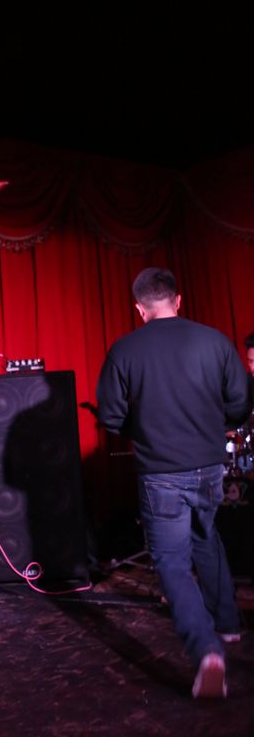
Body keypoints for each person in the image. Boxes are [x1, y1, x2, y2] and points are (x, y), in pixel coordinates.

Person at [96, 267, 250, 699]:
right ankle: (228, 623)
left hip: (160, 472)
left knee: (171, 562)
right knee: (206, 535)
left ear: (139, 308)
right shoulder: (214, 340)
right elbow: (240, 402)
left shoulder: (124, 349)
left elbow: (110, 416)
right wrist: (215, 425)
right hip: (209, 465)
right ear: (178, 300)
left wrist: (143, 428)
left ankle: (207, 652)